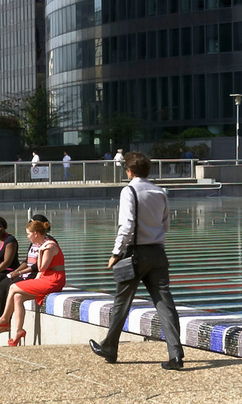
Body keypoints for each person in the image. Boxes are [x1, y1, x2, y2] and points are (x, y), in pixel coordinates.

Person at [90, 152, 184, 371]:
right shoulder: (159, 191)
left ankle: (110, 347)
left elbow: (127, 225)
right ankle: (176, 354)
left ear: (129, 171)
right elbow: (166, 225)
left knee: (121, 303)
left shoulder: (129, 190)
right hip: (158, 253)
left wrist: (116, 253)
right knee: (165, 304)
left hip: (134, 254)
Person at [0, 215, 65, 346]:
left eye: (29, 234)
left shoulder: (49, 246)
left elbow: (41, 267)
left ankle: (4, 319)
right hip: (45, 278)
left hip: (53, 280)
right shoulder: (42, 244)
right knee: (17, 296)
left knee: (13, 287)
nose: (27, 237)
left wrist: (40, 252)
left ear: (35, 233)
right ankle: (18, 331)